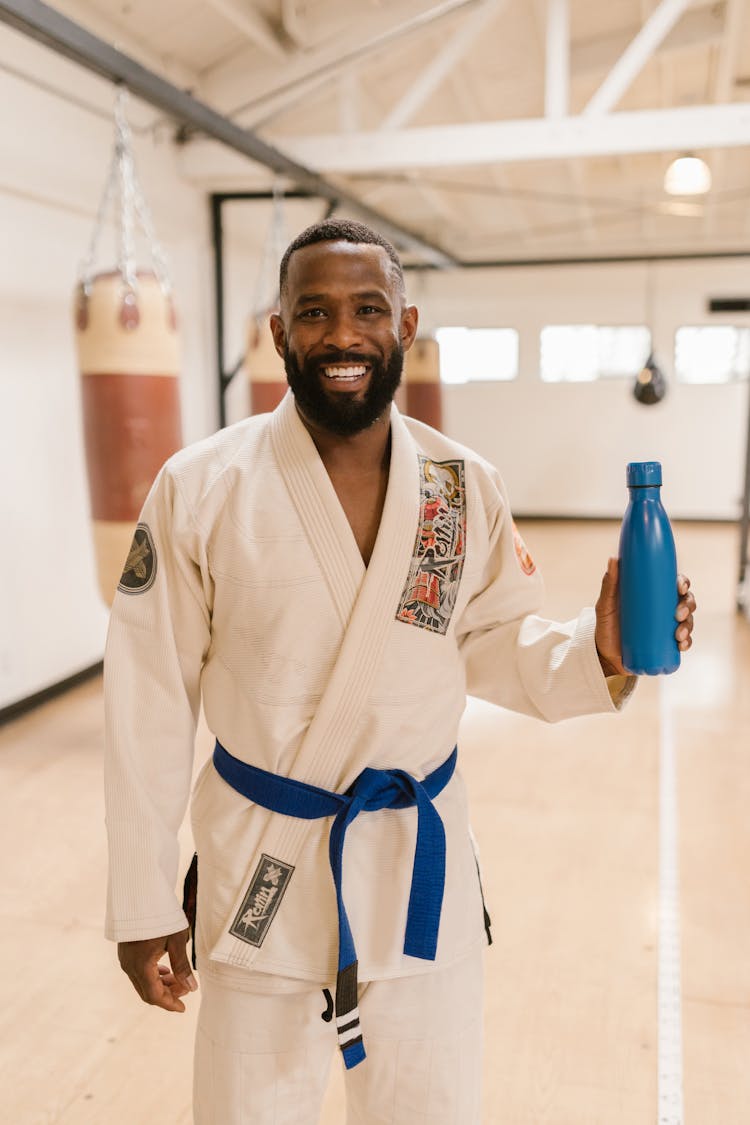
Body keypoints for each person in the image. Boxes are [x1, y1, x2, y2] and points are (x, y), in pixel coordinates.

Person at [104, 219, 696, 1125]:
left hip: (422, 876)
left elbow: (492, 640)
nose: (342, 335)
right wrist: (143, 899)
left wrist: (599, 650)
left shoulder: (462, 486)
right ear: (278, 332)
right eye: (315, 312)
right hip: (265, 869)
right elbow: (148, 702)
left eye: (367, 309)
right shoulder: (201, 487)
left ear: (405, 325)